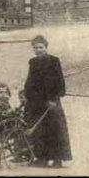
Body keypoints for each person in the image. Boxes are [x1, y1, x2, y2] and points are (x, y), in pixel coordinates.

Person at [23, 35, 72, 168]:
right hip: (37, 102)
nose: (39, 50)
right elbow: (30, 81)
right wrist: (26, 94)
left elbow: (59, 81)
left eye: (41, 47)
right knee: (39, 130)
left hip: (52, 101)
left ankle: (57, 159)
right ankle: (41, 158)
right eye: (36, 48)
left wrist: (53, 98)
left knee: (55, 129)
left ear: (46, 47)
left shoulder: (54, 61)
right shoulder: (32, 62)